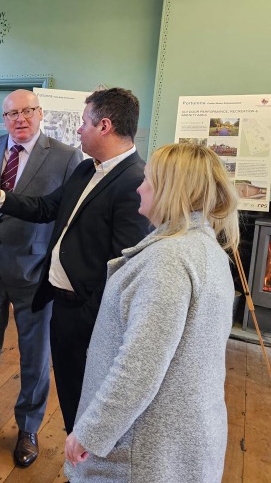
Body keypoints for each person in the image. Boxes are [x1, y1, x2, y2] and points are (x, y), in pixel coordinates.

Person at [0, 87, 150, 434]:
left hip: (87, 311)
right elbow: (45, 207)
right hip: (59, 298)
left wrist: (93, 315)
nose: (78, 129)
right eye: (12, 113)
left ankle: (44, 438)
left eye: (84, 122)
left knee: (81, 396)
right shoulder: (88, 170)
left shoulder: (133, 181)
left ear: (104, 126)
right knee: (69, 393)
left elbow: (124, 266)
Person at [64, 143, 239, 482]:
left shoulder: (168, 260)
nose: (139, 188)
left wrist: (91, 431)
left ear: (171, 190)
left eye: (147, 180)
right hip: (177, 441)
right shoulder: (206, 249)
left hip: (145, 450)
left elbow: (139, 367)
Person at [0, 89, 82, 468]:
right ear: (3, 118)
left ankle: (28, 427)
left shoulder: (66, 157)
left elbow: (69, 219)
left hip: (34, 272)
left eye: (27, 111)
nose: (20, 119)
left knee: (34, 354)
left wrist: (60, 267)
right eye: (11, 114)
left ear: (40, 113)